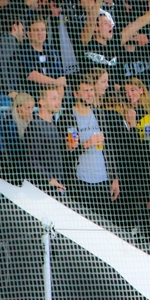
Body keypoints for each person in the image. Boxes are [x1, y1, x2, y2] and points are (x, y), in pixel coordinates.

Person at [60, 76, 121, 212]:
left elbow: (109, 149)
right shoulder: (67, 116)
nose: (90, 94)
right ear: (76, 94)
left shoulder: (100, 115)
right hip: (81, 183)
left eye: (91, 90)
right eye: (86, 91)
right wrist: (85, 145)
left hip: (104, 180)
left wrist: (114, 178)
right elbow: (64, 153)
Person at [25, 86, 69, 195]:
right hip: (44, 189)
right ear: (42, 102)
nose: (58, 102)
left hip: (58, 185)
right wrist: (49, 179)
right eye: (54, 98)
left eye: (58, 98)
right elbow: (31, 158)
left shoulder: (53, 123)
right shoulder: (35, 125)